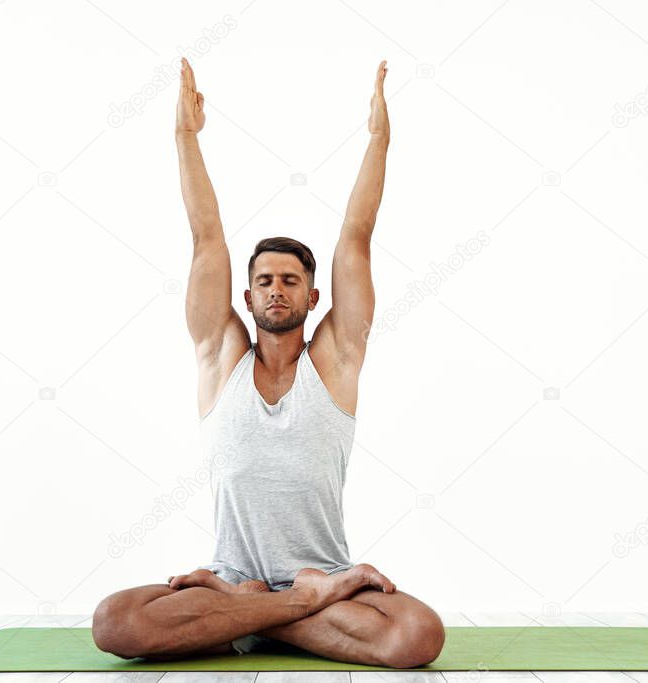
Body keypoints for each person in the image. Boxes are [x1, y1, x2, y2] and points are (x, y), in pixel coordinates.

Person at [89, 58, 445, 669]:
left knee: (419, 635)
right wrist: (184, 136)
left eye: (289, 280)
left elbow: (356, 235)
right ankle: (284, 612)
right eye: (263, 281)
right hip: (238, 576)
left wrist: (380, 139)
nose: (275, 289)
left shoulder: (335, 360)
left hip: (321, 577)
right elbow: (206, 237)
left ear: (312, 297)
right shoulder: (218, 356)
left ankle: (247, 618)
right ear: (247, 296)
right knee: (114, 622)